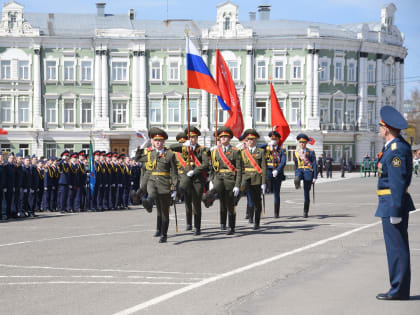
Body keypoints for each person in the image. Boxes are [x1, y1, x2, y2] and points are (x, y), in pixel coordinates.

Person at [375, 105, 415, 301]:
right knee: (395, 248)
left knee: (397, 248)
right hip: (389, 202)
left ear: (387, 128)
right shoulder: (393, 147)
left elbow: (398, 182)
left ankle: (398, 289)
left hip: (392, 203)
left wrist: (396, 209)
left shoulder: (397, 149)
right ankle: (397, 287)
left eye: (380, 126)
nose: (379, 129)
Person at [170, 127, 209, 235]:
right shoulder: (184, 147)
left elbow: (205, 164)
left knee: (196, 203)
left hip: (197, 179)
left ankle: (197, 227)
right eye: (190, 137)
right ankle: (188, 223)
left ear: (197, 138)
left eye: (193, 137)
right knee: (187, 200)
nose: (192, 139)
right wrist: (183, 144)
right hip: (185, 178)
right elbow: (171, 147)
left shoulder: (202, 149)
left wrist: (195, 171)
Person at [143, 127, 178, 243]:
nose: (158, 142)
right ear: (154, 142)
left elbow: (174, 172)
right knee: (152, 195)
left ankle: (164, 234)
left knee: (164, 212)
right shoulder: (150, 153)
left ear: (164, 142)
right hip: (153, 182)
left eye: (160, 141)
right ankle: (148, 201)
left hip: (165, 185)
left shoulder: (170, 154)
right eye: (156, 140)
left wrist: (174, 188)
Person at [210, 127, 242, 235]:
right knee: (222, 203)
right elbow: (213, 168)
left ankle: (231, 227)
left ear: (229, 138)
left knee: (230, 204)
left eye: (226, 137)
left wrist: (237, 185)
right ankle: (222, 223)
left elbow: (239, 169)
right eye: (222, 137)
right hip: (219, 179)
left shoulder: (235, 151)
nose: (223, 138)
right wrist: (211, 181)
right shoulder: (215, 152)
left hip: (230, 180)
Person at [240, 129, 266, 230]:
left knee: (257, 201)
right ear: (246, 141)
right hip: (246, 178)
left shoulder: (261, 152)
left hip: (257, 179)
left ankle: (257, 222)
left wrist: (263, 182)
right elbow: (241, 167)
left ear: (256, 140)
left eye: (252, 139)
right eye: (248, 139)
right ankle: (250, 216)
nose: (250, 141)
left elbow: (263, 167)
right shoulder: (242, 152)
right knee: (249, 198)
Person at [258, 131, 286, 218]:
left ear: (278, 140)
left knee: (277, 193)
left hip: (277, 172)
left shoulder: (282, 149)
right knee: (262, 191)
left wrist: (277, 170)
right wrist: (268, 144)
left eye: (275, 139)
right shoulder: (266, 148)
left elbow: (283, 161)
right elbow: (256, 147)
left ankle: (276, 213)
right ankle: (259, 211)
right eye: (272, 139)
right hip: (268, 172)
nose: (273, 140)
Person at [293, 134, 317, 218]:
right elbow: (296, 165)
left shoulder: (310, 151)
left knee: (306, 193)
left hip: (308, 171)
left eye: (303, 142)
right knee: (297, 178)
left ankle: (305, 211)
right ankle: (297, 182)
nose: (302, 144)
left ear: (306, 143)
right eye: (300, 142)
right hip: (300, 170)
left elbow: (314, 164)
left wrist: (314, 177)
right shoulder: (296, 152)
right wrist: (296, 173)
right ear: (298, 143)